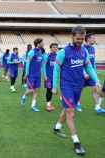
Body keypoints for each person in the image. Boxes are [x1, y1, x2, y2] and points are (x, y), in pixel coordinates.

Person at [52, 26, 100, 156]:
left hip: (78, 86)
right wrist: (54, 86)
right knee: (70, 112)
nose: (80, 40)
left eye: (82, 38)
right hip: (66, 86)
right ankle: (76, 142)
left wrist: (96, 81)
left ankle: (56, 127)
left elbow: (89, 67)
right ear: (72, 37)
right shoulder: (64, 52)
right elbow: (56, 69)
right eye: (78, 38)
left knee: (68, 108)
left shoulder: (84, 51)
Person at [78, 33, 105, 114]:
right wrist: (84, 73)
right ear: (88, 39)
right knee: (79, 90)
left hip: (91, 73)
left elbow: (92, 62)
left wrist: (94, 73)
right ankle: (77, 103)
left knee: (95, 89)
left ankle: (97, 107)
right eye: (93, 38)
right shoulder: (82, 48)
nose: (94, 40)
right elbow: (80, 62)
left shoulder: (93, 48)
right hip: (82, 74)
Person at [21, 38, 47, 112]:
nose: (43, 44)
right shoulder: (31, 52)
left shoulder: (41, 53)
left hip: (38, 75)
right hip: (31, 75)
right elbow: (28, 63)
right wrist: (26, 73)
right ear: (38, 44)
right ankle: (24, 96)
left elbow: (43, 66)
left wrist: (44, 75)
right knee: (31, 90)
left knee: (36, 91)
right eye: (42, 43)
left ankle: (33, 106)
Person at [44, 43, 58, 112]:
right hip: (48, 77)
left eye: (56, 47)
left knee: (53, 90)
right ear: (50, 48)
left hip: (55, 77)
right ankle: (48, 104)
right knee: (49, 90)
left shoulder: (58, 56)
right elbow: (43, 66)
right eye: (53, 47)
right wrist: (45, 75)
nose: (55, 48)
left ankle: (49, 102)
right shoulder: (47, 56)